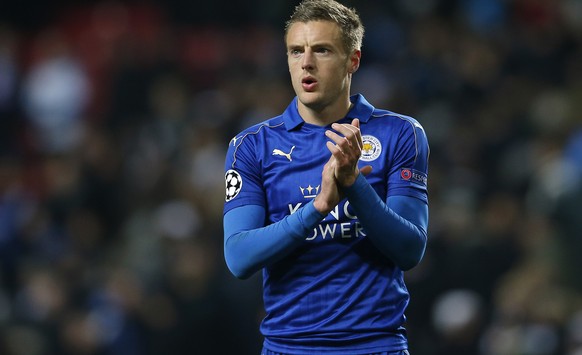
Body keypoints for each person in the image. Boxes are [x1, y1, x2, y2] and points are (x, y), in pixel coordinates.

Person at [223, 0, 429, 353]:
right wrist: (316, 207)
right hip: (288, 347)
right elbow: (239, 258)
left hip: (374, 346)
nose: (306, 62)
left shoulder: (400, 133)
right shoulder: (251, 146)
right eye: (295, 51)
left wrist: (353, 184)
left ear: (353, 60)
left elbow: (410, 249)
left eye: (322, 50)